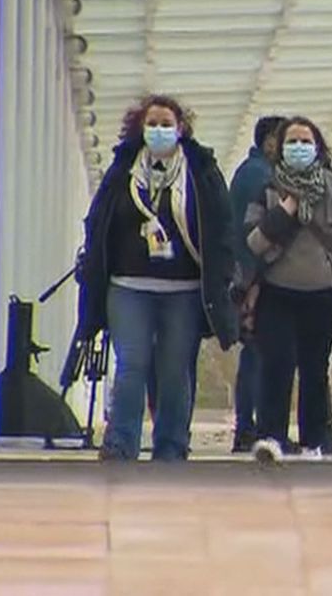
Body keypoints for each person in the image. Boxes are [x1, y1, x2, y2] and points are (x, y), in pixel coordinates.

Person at [75, 94, 238, 461]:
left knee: (175, 370)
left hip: (183, 290)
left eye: (167, 124)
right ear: (140, 128)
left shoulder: (201, 172)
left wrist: (223, 274)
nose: (159, 130)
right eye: (153, 124)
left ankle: (171, 445)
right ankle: (121, 443)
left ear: (181, 129)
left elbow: (222, 225)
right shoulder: (123, 171)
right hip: (128, 287)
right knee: (131, 364)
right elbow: (100, 221)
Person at [244, 117, 332, 459]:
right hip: (276, 292)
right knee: (277, 364)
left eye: (305, 141)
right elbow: (254, 241)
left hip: (322, 292)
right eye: (292, 142)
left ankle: (315, 438)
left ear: (318, 147)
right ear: (279, 148)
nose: (299, 148)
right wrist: (285, 211)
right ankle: (271, 436)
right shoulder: (267, 187)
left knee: (315, 368)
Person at [227, 114, 285, 454]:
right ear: (269, 141)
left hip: (247, 274)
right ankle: (252, 428)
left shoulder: (249, 172)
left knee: (257, 354)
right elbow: (253, 232)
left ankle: (250, 426)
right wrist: (253, 278)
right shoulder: (260, 177)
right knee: (260, 355)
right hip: (257, 277)